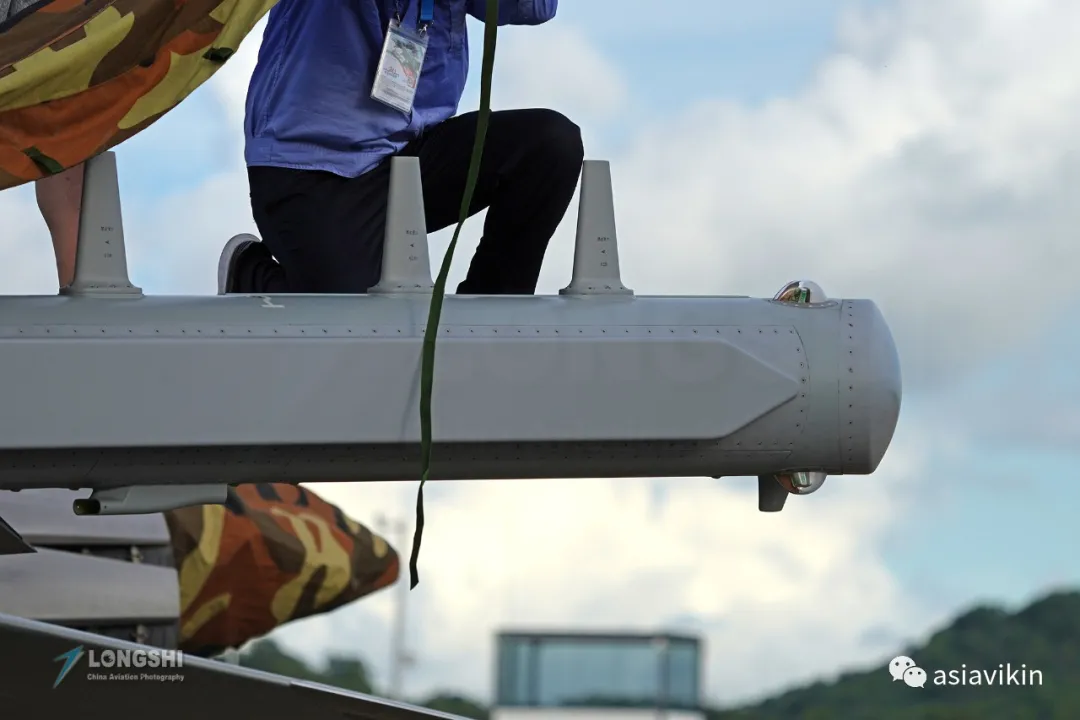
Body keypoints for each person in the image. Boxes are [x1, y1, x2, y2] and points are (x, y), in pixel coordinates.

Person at [219, 0, 583, 296]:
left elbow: (534, 7)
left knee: (549, 145)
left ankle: (491, 317)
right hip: (314, 164)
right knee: (355, 321)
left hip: (413, 154)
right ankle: (248, 273)